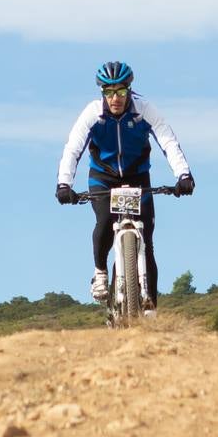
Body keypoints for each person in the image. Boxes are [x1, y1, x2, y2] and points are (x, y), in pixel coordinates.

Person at [55, 61, 194, 309]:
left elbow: (168, 141)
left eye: (120, 91)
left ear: (129, 90)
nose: (115, 98)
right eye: (108, 92)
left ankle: (150, 306)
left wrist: (183, 175)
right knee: (106, 220)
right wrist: (64, 183)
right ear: (102, 93)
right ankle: (100, 273)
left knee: (147, 242)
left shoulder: (144, 111)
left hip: (137, 177)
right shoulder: (93, 113)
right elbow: (73, 147)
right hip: (103, 177)